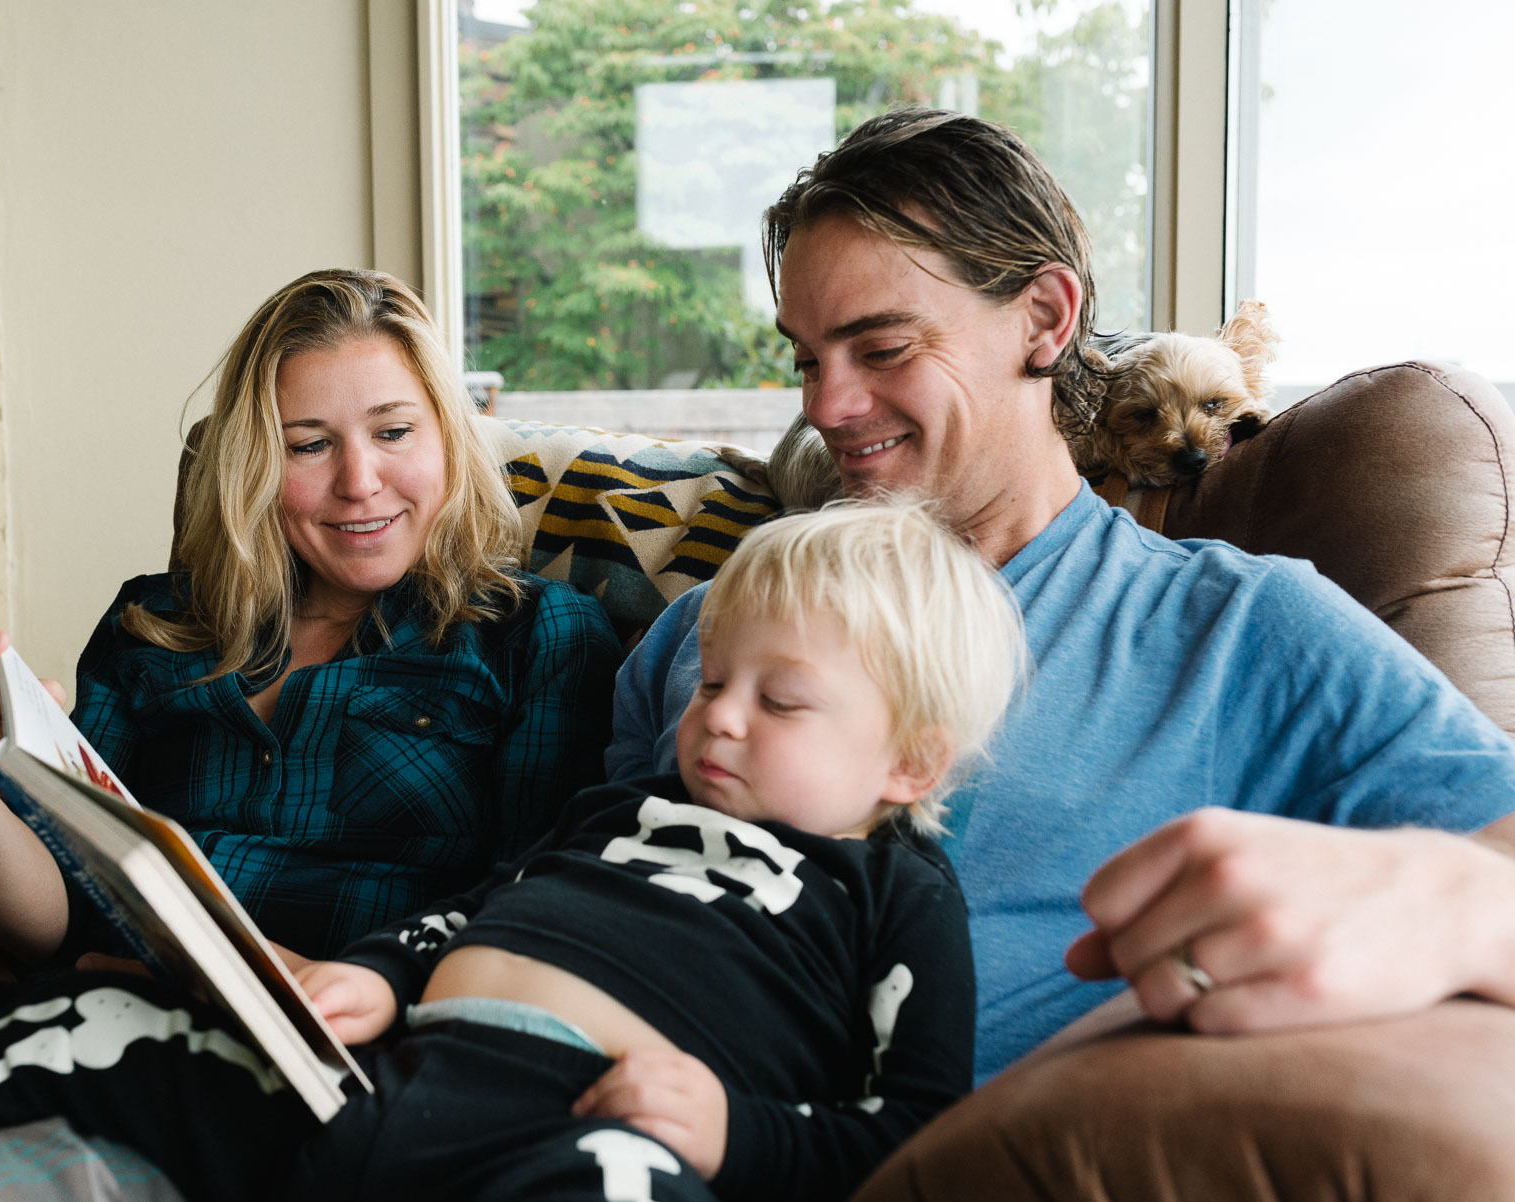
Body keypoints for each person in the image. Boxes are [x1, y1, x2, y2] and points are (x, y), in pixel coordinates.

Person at [0, 501, 1024, 1202]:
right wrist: (376, 973)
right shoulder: (615, 812)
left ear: (909, 761)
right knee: (97, 1026)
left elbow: (914, 1131)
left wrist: (739, 1135)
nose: (718, 716)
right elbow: (468, 911)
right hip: (374, 1076)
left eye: (780, 701)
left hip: (570, 1128)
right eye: (712, 681)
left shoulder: (893, 890)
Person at [606, 106, 1515, 1085]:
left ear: (1045, 319)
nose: (825, 407)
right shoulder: (701, 630)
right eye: (807, 359)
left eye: (883, 349)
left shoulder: (1234, 630)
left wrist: (1451, 896)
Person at [0, 268, 621, 1194]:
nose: (359, 482)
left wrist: (313, 976)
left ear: (446, 438)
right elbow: (52, 913)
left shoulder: (535, 637)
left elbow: (532, 910)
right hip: (106, 996)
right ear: (253, 464)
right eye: (307, 445)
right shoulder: (158, 628)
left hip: (337, 1044)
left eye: (394, 433)